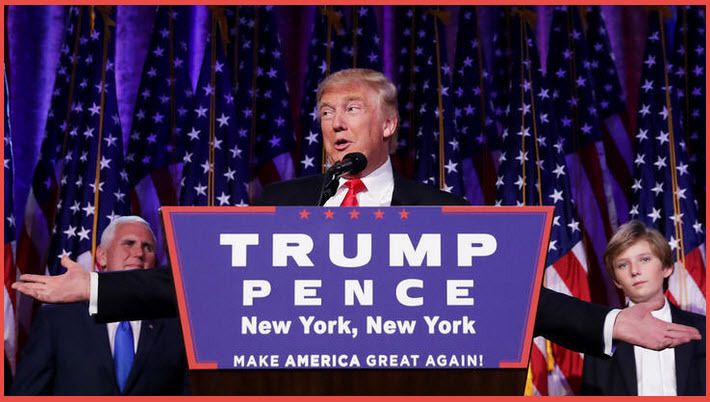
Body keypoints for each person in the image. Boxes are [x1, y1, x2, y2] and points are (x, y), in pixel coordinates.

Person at [12, 69, 700, 380]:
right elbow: (193, 283)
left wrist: (611, 325)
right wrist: (96, 292)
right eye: (325, 112)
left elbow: (518, 298)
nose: (335, 121)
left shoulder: (443, 212)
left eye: (350, 109)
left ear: (389, 124)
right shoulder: (279, 203)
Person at [11, 216, 189, 395]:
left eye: (147, 247)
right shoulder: (57, 319)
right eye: (129, 243)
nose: (139, 253)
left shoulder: (177, 325)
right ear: (102, 256)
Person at [582, 221, 705, 395]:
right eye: (623, 265)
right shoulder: (602, 339)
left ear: (667, 267)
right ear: (616, 280)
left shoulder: (702, 330)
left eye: (644, 259)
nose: (634, 271)